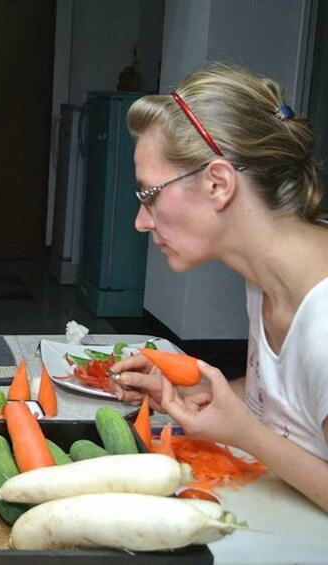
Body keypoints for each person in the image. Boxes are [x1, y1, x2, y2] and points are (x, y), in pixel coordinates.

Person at [109, 63, 328, 512]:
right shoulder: (265, 279)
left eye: (149, 194)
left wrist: (244, 435)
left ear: (218, 183)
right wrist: (184, 396)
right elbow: (286, 398)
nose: (141, 221)